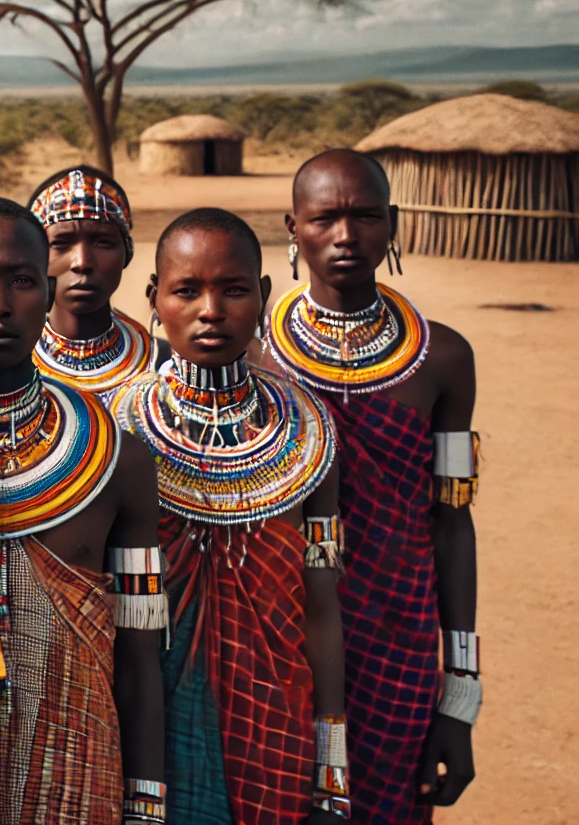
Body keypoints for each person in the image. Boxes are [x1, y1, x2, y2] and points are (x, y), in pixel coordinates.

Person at [0, 197, 167, 825]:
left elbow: (139, 654)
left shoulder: (119, 460)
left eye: (21, 280)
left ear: (48, 292)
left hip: (81, 777)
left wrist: (147, 805)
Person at [113, 208, 349, 825]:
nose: (211, 309)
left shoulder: (310, 435)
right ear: (154, 299)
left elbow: (322, 606)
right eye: (187, 290)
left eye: (234, 289)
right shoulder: (116, 431)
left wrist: (333, 775)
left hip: (277, 717)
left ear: (264, 295)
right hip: (148, 728)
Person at [268, 150, 479, 822]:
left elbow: (451, 523)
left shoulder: (443, 359)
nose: (345, 235)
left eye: (364, 216)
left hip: (400, 642)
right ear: (293, 229)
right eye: (324, 217)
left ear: (392, 224)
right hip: (280, 643)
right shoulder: (256, 355)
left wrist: (461, 692)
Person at [28, 166, 154, 399]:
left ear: (127, 253)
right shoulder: (4, 363)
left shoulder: (163, 366)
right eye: (61, 244)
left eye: (103, 243)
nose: (82, 262)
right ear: (32, 255)